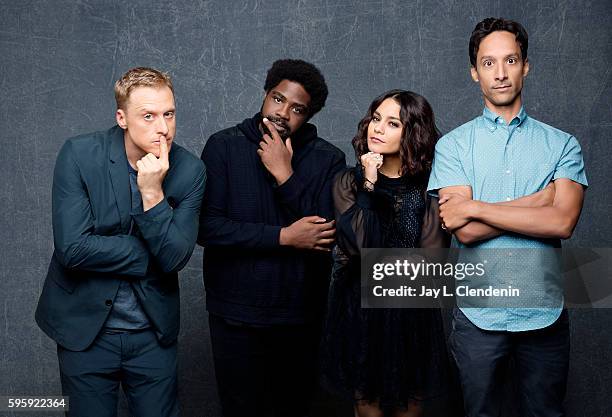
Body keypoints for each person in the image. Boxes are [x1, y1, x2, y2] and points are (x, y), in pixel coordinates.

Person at [427, 18, 587, 417]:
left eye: (510, 60)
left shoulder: (562, 144)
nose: (500, 73)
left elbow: (562, 222)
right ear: (474, 73)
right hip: (478, 316)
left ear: (525, 66)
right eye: (488, 63)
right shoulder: (453, 147)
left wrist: (476, 206)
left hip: (544, 313)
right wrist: (539, 201)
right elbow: (461, 228)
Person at [35, 67, 206, 417]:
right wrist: (153, 252)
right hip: (84, 331)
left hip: (151, 336)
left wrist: (153, 193)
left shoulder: (189, 171)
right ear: (122, 118)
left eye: (169, 114)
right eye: (148, 116)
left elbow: (174, 258)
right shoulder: (80, 155)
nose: (163, 128)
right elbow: (73, 249)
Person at [198, 58, 346, 417]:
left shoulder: (328, 159)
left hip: (298, 317)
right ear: (265, 95)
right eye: (278, 99)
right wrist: (283, 236)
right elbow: (208, 228)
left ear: (308, 115)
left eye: (297, 109)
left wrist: (285, 175)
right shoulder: (224, 146)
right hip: (235, 314)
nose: (283, 113)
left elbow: (324, 234)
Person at [320, 89, 453, 417]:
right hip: (360, 315)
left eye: (393, 123)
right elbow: (359, 246)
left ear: (413, 132)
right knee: (367, 410)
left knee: (409, 409)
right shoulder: (348, 183)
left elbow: (430, 267)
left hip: (410, 317)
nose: (377, 129)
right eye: (376, 119)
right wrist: (369, 182)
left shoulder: (429, 190)